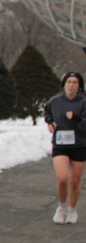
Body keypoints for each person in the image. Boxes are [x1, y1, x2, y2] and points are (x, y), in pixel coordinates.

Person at [43, 71, 86, 224]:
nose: (71, 85)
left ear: (79, 86)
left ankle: (72, 210)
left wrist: (75, 118)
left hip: (79, 145)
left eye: (75, 82)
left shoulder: (83, 102)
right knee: (62, 178)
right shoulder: (55, 101)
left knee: (74, 182)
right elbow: (47, 113)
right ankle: (61, 207)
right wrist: (50, 122)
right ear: (64, 84)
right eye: (69, 82)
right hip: (60, 144)